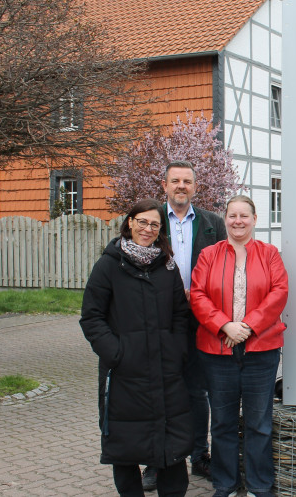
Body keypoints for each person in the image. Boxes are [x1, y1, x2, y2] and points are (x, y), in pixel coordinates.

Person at [80, 198, 193, 496]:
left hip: (166, 370)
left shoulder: (167, 267)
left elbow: (181, 314)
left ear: (160, 230)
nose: (147, 228)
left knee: (172, 444)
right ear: (129, 222)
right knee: (125, 447)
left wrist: (176, 349)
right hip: (124, 374)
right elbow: (91, 317)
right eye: (142, 221)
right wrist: (117, 353)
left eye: (154, 224)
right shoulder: (108, 265)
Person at [190, 195, 288, 497]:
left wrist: (245, 327)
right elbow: (197, 295)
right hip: (216, 352)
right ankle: (226, 484)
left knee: (259, 424)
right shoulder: (209, 255)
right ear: (225, 219)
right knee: (222, 423)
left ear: (255, 219)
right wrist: (224, 325)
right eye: (232, 215)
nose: (238, 221)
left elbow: (279, 292)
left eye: (244, 215)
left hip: (261, 351)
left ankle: (260, 486)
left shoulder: (270, 254)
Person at [143, 161, 227, 491]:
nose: (181, 186)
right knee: (157, 390)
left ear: (195, 186)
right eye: (175, 181)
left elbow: (223, 267)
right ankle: (154, 459)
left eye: (187, 181)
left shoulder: (212, 224)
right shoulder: (151, 221)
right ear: (164, 186)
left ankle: (198, 455)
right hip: (157, 320)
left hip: (199, 320)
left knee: (196, 391)